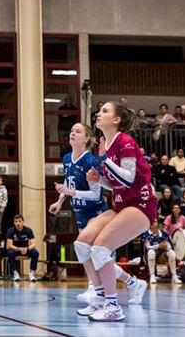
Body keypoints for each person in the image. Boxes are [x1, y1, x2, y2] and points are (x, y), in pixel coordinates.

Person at [76, 102, 157, 322]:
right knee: (82, 244)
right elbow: (117, 184)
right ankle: (101, 299)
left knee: (100, 249)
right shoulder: (107, 144)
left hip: (141, 204)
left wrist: (103, 160)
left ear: (116, 120)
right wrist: (100, 180)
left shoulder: (125, 142)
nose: (98, 114)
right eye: (99, 111)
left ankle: (113, 306)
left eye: (104, 111)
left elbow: (129, 178)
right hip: (121, 204)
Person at [51, 122, 146, 304]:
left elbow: (95, 195)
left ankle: (97, 290)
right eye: (71, 130)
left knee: (95, 256)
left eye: (77, 131)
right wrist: (60, 200)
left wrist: (71, 193)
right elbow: (68, 180)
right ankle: (132, 283)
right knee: (89, 256)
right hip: (80, 213)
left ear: (87, 138)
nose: (72, 133)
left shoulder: (90, 161)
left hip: (96, 213)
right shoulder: (66, 158)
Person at [5, 214, 40, 282]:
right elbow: (9, 245)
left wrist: (27, 249)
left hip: (26, 249)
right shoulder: (10, 231)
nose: (18, 223)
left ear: (23, 222)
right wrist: (19, 249)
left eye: (19, 221)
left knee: (35, 252)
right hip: (16, 249)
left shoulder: (28, 230)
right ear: (14, 223)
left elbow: (33, 244)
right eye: (16, 221)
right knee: (10, 252)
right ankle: (15, 274)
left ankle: (31, 274)